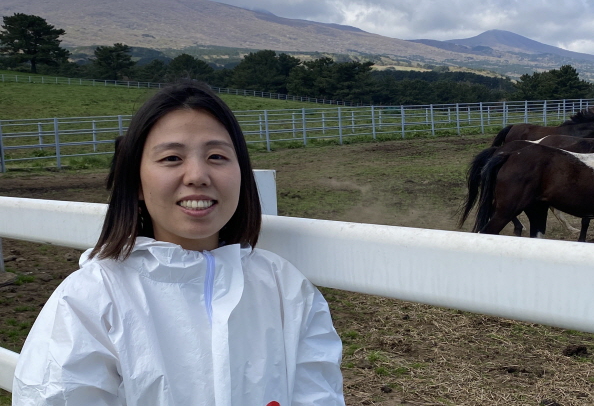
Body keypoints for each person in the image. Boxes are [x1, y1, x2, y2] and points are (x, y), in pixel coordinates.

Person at [12, 81, 346, 405]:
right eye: (172, 158)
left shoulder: (287, 289)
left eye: (216, 156)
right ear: (137, 183)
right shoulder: (91, 298)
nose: (197, 175)